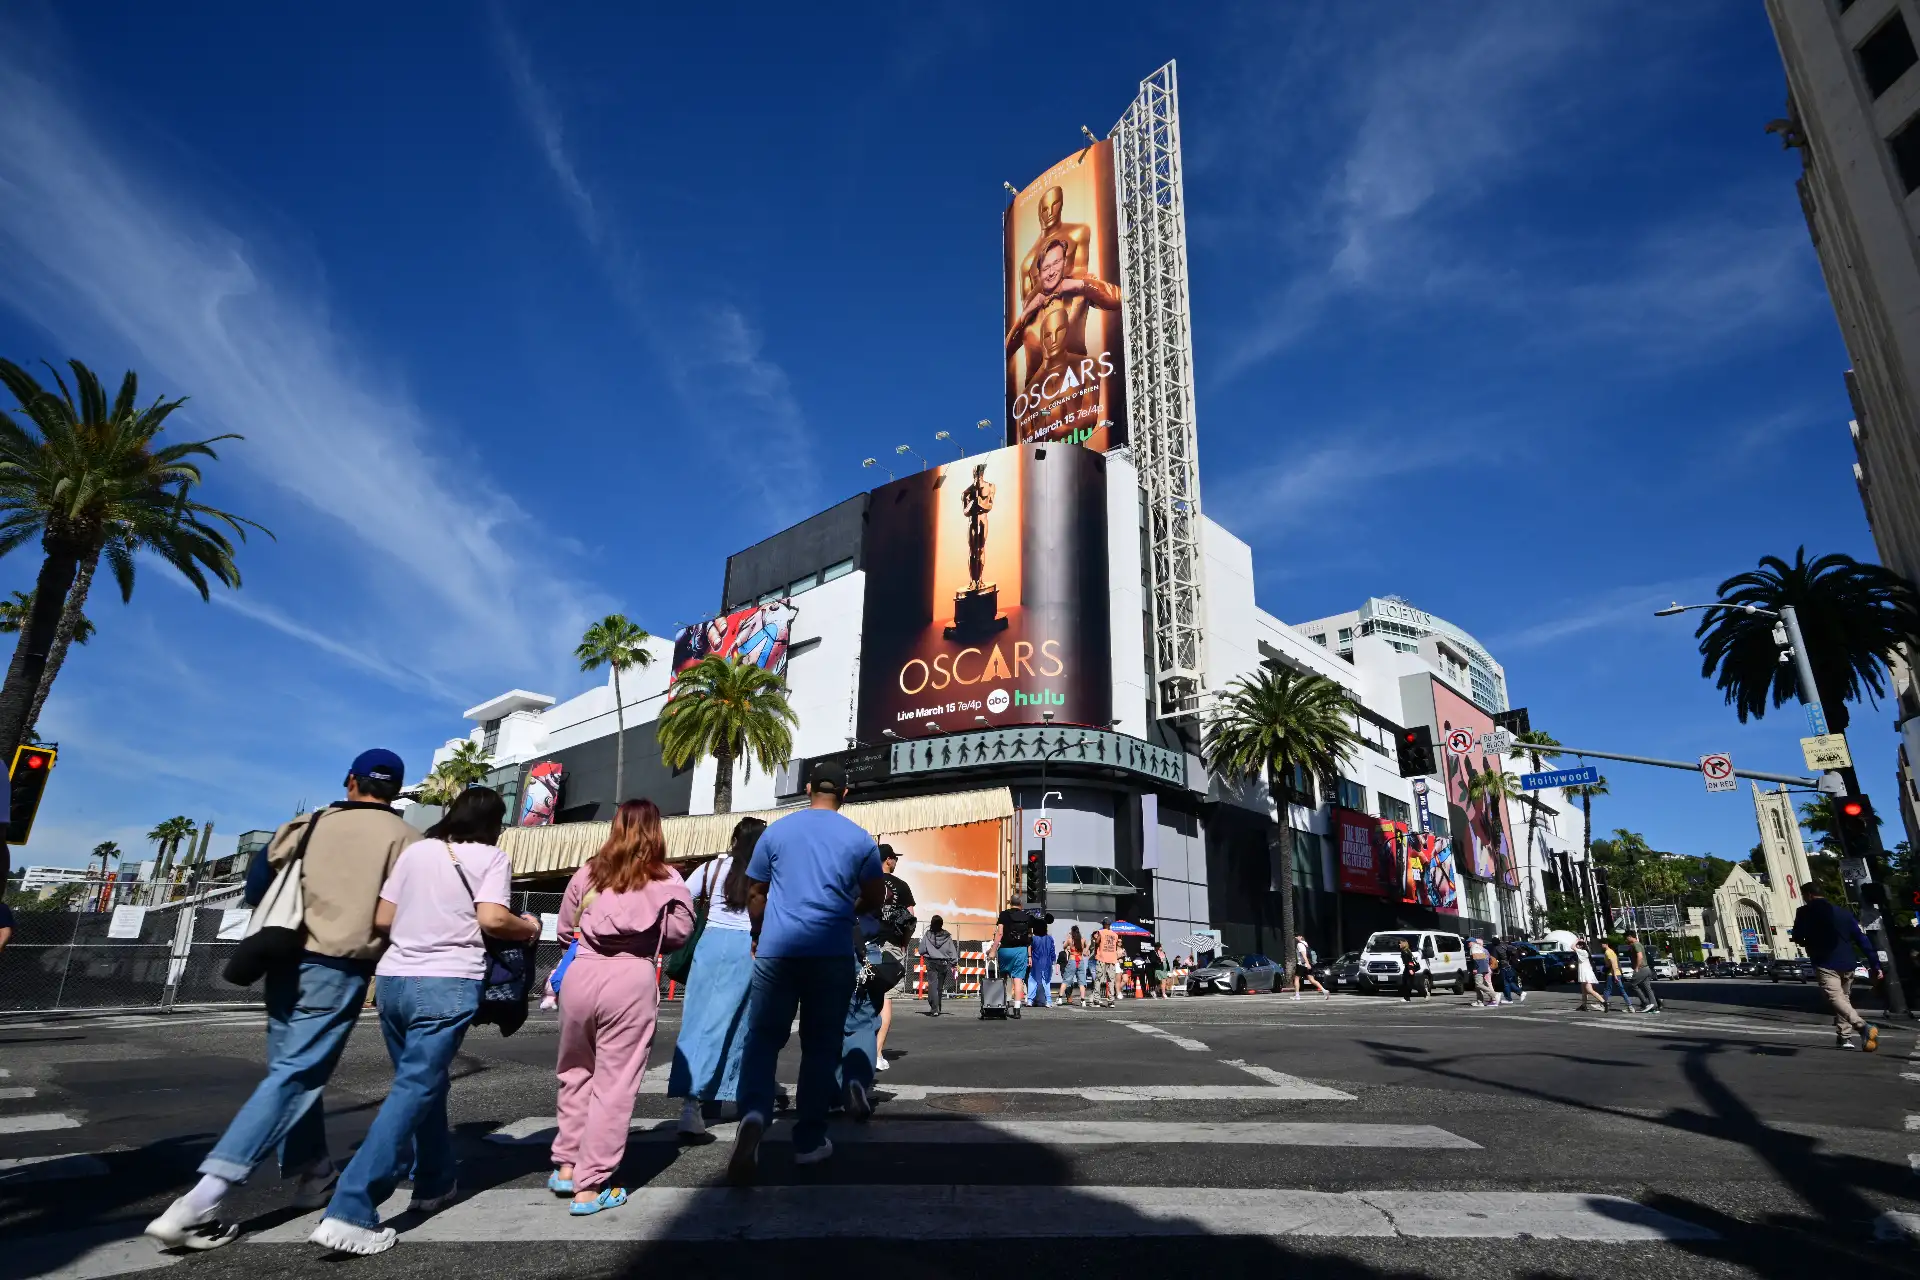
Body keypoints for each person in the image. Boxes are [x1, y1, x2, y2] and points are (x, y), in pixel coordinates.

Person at [147, 750, 416, 1251]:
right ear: (397, 790)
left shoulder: (306, 824)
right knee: (294, 1078)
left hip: (283, 957)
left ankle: (313, 1174)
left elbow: (255, 888)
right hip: (339, 965)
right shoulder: (407, 841)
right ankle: (201, 1200)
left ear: (351, 780)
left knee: (291, 1073)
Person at [307, 788, 539, 1254]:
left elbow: (383, 917)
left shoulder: (417, 852)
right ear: (494, 824)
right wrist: (529, 926)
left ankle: (433, 1180)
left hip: (394, 981)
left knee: (423, 1085)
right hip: (448, 981)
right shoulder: (492, 857)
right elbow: (493, 918)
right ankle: (352, 1208)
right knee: (415, 1088)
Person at [729, 761, 884, 1185]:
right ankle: (809, 1140)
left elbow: (756, 891)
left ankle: (756, 1114)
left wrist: (761, 931)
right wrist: (844, 910)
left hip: (778, 951)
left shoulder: (778, 831)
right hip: (831, 953)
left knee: (763, 1038)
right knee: (820, 1046)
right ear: (846, 794)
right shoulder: (859, 839)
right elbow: (875, 895)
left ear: (809, 788)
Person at [548, 800, 694, 1215]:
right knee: (615, 1083)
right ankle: (590, 1186)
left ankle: (565, 1164)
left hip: (582, 975)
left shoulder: (588, 872)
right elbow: (681, 933)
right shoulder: (667, 878)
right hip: (631, 977)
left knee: (574, 1072)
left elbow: (564, 931)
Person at [669, 817, 766, 1140]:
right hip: (747, 945)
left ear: (735, 838)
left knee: (698, 1020)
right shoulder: (763, 871)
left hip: (710, 942)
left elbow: (681, 898)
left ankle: (694, 1099)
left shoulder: (711, 868)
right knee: (739, 1025)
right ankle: (715, 1095)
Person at [1790, 881, 1883, 1051]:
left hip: (1825, 962)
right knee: (1844, 999)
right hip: (1848, 962)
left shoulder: (1804, 912)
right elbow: (1861, 939)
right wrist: (1875, 964)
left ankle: (1862, 1026)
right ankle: (1844, 1037)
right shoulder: (1844, 913)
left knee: (1834, 998)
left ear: (1809, 895)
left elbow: (1798, 935)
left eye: (1804, 896)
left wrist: (1804, 941)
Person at [872, 845, 915, 1069]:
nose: (896, 862)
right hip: (891, 944)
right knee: (885, 997)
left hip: (866, 943)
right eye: (894, 859)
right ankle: (877, 1054)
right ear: (888, 860)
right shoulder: (901, 885)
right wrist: (905, 944)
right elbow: (910, 919)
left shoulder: (864, 882)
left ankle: (858, 1048)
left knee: (863, 993)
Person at [990, 894, 1034, 1015]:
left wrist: (993, 950)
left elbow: (999, 933)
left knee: (1003, 977)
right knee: (1018, 979)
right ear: (1021, 904)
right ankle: (1017, 1009)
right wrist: (1029, 956)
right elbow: (1029, 937)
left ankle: (1002, 1004)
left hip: (1005, 949)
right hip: (1021, 950)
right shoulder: (1027, 917)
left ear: (1010, 903)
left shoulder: (1004, 915)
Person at [919, 914, 959, 1016]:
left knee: (932, 986)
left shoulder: (927, 935)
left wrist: (928, 953)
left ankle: (934, 1008)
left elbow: (921, 950)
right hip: (944, 963)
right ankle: (938, 1008)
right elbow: (952, 951)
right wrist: (954, 962)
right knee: (939, 987)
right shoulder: (947, 936)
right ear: (941, 924)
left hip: (932, 962)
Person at [1623, 932, 1663, 1015]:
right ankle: (1654, 1005)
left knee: (1633, 985)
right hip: (1647, 969)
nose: (1625, 940)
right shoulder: (1639, 944)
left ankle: (1645, 1004)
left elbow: (1640, 956)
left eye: (1626, 938)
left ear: (1630, 936)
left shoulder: (1635, 945)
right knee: (1647, 987)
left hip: (1641, 968)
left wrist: (1637, 967)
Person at [1091, 917, 1123, 1008]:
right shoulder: (1115, 935)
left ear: (1103, 924)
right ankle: (1111, 1001)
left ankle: (1096, 999)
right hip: (1112, 959)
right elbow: (1115, 946)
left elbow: (1097, 942)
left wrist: (1095, 940)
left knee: (1098, 979)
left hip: (1102, 958)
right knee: (1111, 980)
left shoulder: (1101, 932)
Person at [1291, 934, 1330, 1001]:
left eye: (1297, 936)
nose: (1296, 938)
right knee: (1312, 980)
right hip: (1308, 964)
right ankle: (1324, 991)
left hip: (1302, 964)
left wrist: (1307, 963)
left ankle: (1297, 996)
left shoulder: (1299, 944)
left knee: (1296, 978)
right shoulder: (1306, 944)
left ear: (1300, 937)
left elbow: (1304, 955)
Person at [1027, 920, 1057, 1007]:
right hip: (1047, 962)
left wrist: (1029, 957)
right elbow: (1052, 950)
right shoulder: (1050, 938)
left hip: (1036, 961)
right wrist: (1054, 961)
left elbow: (1029, 947)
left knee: (1032, 979)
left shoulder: (1034, 938)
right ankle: (1048, 1001)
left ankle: (1030, 1000)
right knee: (1046, 981)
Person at [1598, 940, 1632, 1012]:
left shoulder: (1608, 952)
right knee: (1622, 990)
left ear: (1606, 944)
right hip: (1617, 973)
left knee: (1607, 989)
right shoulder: (1612, 951)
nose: (1601, 945)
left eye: (1602, 944)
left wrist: (1614, 975)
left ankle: (1603, 1005)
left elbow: (1613, 963)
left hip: (1612, 974)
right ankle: (1630, 1006)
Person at [1061, 926, 1089, 1008]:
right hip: (1080, 960)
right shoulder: (1083, 940)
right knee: (1082, 981)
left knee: (1066, 979)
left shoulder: (1070, 940)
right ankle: (1083, 1000)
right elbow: (1086, 947)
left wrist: (1068, 937)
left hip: (1072, 959)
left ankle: (1059, 998)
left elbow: (1064, 946)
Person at [1574, 939, 1602, 1011]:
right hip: (1584, 973)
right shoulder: (1583, 952)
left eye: (1578, 945)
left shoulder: (1583, 952)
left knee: (1589, 990)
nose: (1577, 946)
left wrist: (1577, 940)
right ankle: (1584, 1005)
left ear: (1581, 946)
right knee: (1584, 991)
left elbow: (1572, 946)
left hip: (1586, 974)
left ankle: (1603, 1002)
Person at [1467, 937, 1496, 1008]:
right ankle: (1479, 1002)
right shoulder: (1480, 948)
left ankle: (1494, 995)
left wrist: (1475, 968)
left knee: (1478, 985)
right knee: (1478, 986)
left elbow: (1476, 959)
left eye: (1469, 942)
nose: (1468, 944)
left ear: (1472, 942)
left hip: (1479, 969)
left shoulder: (1473, 948)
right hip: (1483, 968)